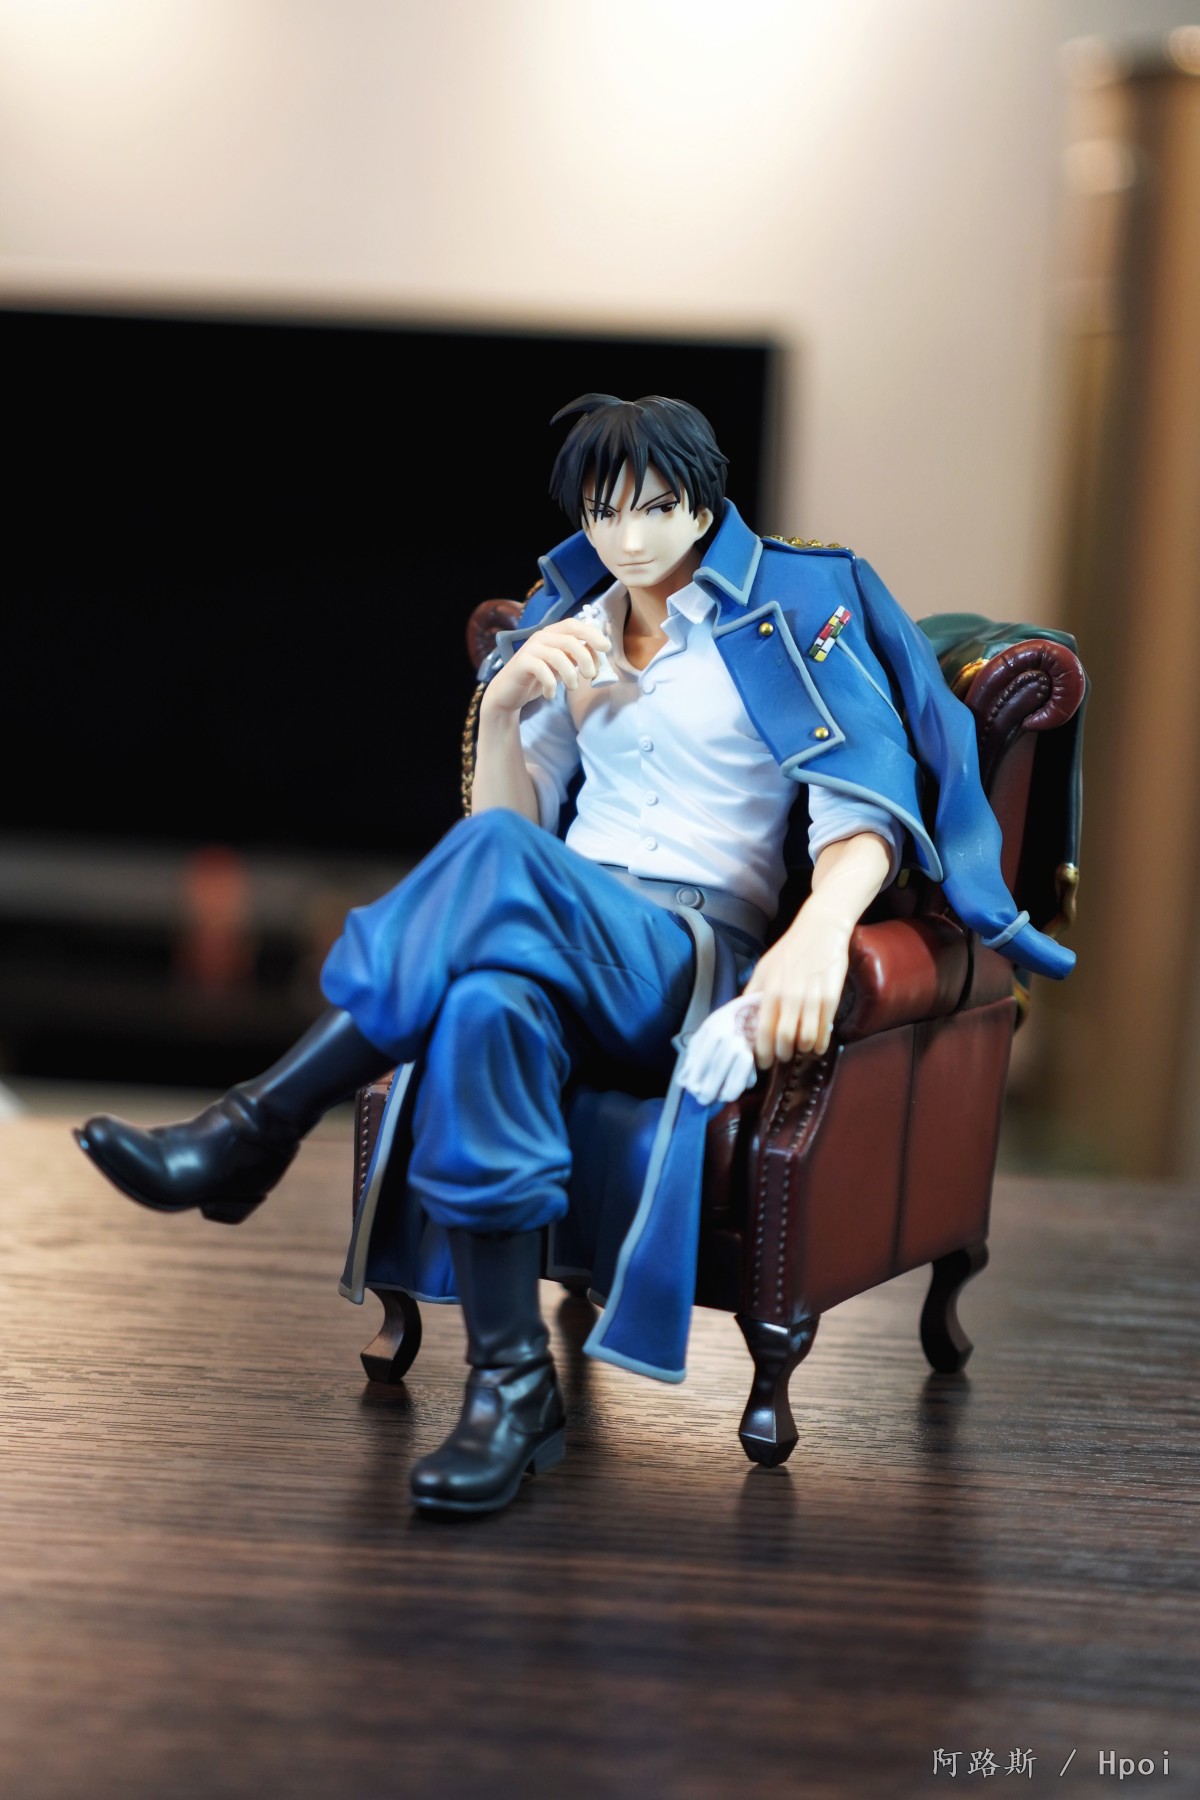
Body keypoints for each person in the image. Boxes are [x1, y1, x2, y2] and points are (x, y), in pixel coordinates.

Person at [76, 393, 1073, 1518]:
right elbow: (511, 828)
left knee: (499, 872)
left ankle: (256, 1126)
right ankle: (511, 1390)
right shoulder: (571, 620)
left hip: (686, 949)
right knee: (484, 1006)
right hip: (558, 929)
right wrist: (507, 706)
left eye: (657, 507)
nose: (630, 537)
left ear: (704, 501)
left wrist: (817, 932)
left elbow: (864, 804)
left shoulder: (790, 612)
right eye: (605, 512)